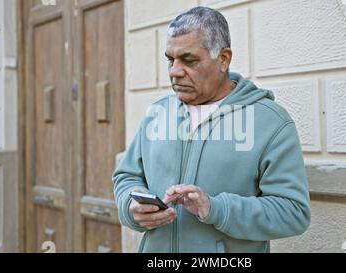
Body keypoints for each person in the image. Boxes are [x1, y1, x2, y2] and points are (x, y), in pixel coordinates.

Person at [112, 6, 310, 253]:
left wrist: (216, 209)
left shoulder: (271, 123)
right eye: (170, 59)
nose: (174, 71)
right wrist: (132, 206)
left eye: (189, 60)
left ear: (223, 59)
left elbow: (294, 213)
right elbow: (126, 177)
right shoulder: (157, 113)